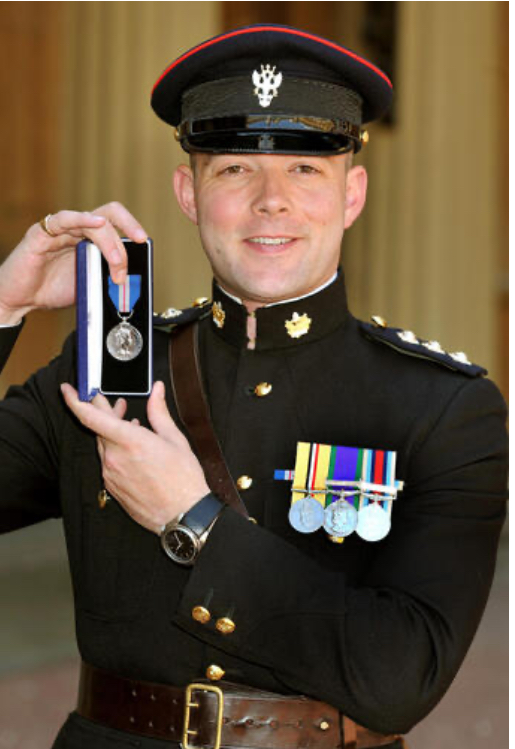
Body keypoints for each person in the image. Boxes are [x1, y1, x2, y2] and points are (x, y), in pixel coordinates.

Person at [0, 23, 507, 749]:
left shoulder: (442, 409)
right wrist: (3, 306)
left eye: (305, 169)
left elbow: (400, 678)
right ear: (188, 192)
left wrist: (193, 517)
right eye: (235, 168)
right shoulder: (107, 377)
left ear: (352, 193)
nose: (272, 200)